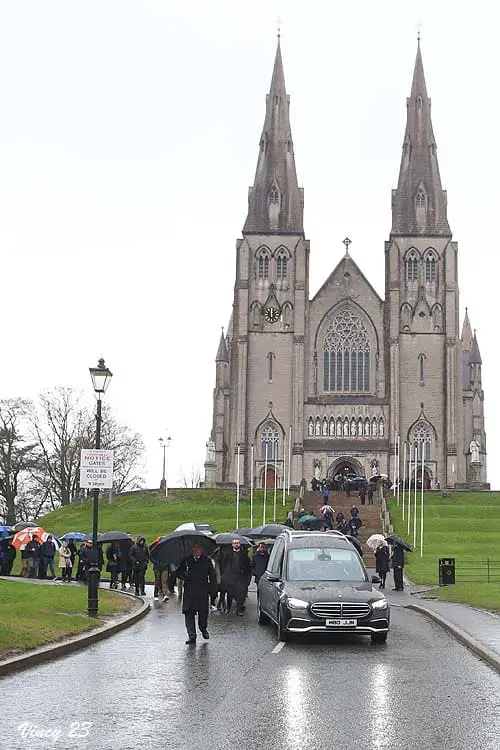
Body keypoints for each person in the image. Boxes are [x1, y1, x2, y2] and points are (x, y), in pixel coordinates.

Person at [177, 543, 217, 644]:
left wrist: (213, 591)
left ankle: (203, 628)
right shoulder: (186, 560)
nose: (196, 550)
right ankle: (192, 636)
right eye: (194, 548)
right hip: (190, 591)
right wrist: (183, 575)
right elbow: (178, 573)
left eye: (198, 548)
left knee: (203, 613)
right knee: (188, 613)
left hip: (202, 590)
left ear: (201, 549)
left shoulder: (206, 560)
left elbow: (212, 576)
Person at [220, 539, 251, 615]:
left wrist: (245, 575)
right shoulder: (228, 554)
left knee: (239, 594)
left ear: (239, 544)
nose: (236, 544)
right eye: (235, 543)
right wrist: (225, 574)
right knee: (230, 593)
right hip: (230, 577)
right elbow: (223, 564)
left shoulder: (244, 554)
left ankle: (238, 610)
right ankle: (228, 608)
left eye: (237, 543)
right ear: (232, 545)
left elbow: (248, 566)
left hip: (240, 576)